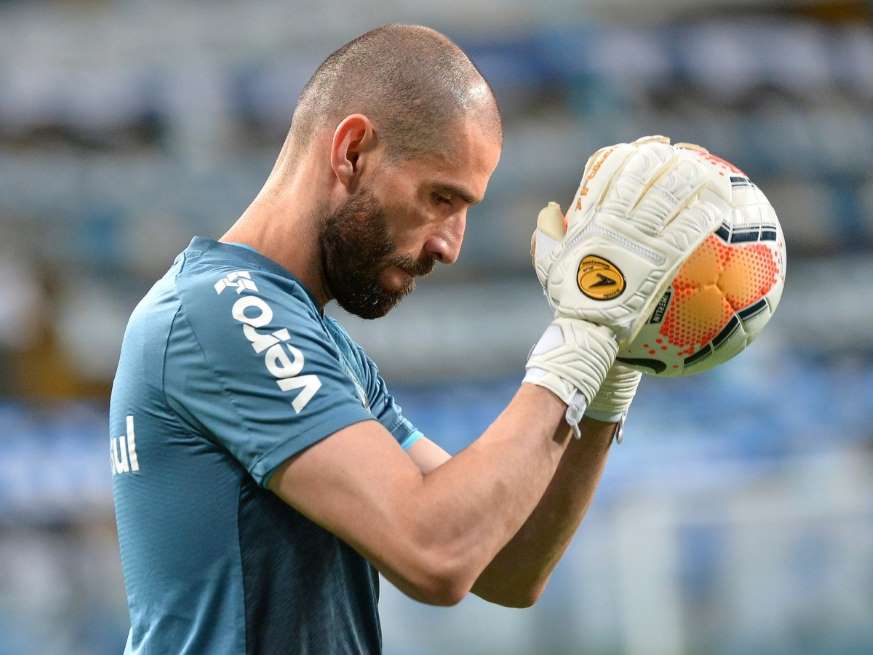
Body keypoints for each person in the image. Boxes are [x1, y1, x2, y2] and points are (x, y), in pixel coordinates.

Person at [110, 23, 727, 655]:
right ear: (351, 152)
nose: (450, 245)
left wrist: (609, 371)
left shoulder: (316, 341)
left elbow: (508, 565)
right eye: (441, 198)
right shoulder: (221, 312)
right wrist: (582, 335)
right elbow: (435, 552)